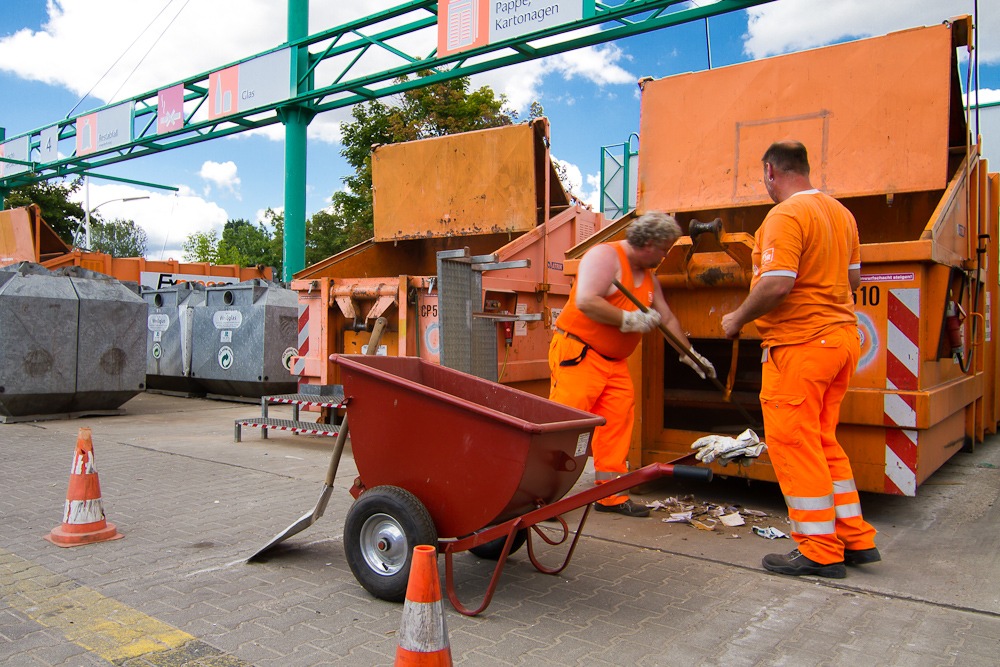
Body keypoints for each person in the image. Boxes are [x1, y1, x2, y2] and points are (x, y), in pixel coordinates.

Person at [721, 140, 880, 578]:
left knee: (795, 445)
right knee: (824, 441)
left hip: (801, 347)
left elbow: (776, 283)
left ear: (771, 170)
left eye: (763, 177)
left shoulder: (786, 215)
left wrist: (736, 318)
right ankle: (854, 537)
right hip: (842, 341)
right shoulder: (841, 215)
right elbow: (852, 278)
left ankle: (818, 549)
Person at [549, 211, 716, 517]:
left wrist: (691, 355)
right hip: (580, 354)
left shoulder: (649, 276)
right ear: (649, 243)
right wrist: (630, 319)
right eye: (664, 250)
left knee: (616, 428)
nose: (665, 257)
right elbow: (587, 300)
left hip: (614, 364)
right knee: (563, 429)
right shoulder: (605, 256)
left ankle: (609, 496)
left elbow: (665, 317)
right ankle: (541, 497)